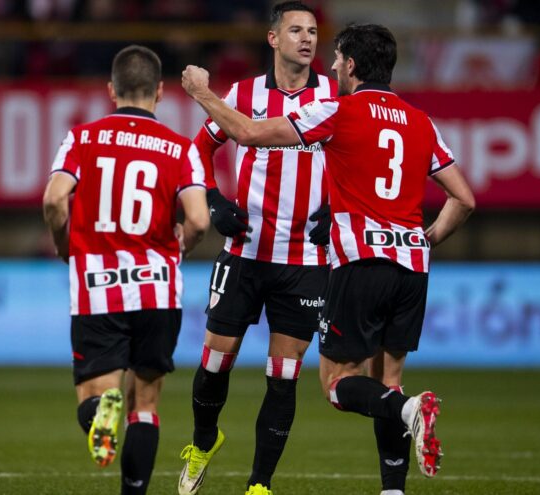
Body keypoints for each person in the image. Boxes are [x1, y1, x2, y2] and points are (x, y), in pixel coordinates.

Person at [181, 23, 476, 495]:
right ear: (274, 37)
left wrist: (200, 91)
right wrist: (425, 239)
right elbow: (464, 199)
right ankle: (393, 488)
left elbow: (252, 133)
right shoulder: (421, 120)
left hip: (355, 262)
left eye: (336, 55)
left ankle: (405, 411)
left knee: (338, 385)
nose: (330, 63)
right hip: (412, 268)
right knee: (389, 380)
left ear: (353, 65)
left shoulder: (337, 110)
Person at [177, 3, 337, 495]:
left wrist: (338, 208)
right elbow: (197, 149)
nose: (306, 39)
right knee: (213, 366)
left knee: (283, 376)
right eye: (295, 30)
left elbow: (361, 159)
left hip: (306, 262)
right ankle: (205, 442)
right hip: (244, 252)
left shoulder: (335, 96)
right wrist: (213, 197)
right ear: (273, 38)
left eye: (312, 31)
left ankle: (260, 485)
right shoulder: (244, 95)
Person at [42, 44, 209, 495]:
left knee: (94, 395)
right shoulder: (180, 148)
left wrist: (65, 245)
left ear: (111, 90)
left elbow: (55, 199)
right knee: (147, 404)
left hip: (97, 286)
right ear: (159, 90)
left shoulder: (82, 138)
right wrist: (180, 249)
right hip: (158, 288)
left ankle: (100, 413)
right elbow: (199, 219)